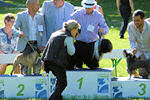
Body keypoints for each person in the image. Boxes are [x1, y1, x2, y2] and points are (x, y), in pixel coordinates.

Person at [41, 20, 80, 100]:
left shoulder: (56, 33)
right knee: (63, 83)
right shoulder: (68, 37)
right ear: (73, 29)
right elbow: (71, 52)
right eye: (76, 31)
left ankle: (58, 98)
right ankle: (52, 98)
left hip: (47, 60)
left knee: (59, 81)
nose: (76, 33)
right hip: (57, 62)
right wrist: (74, 39)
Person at [69, 0, 109, 68]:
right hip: (79, 43)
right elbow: (68, 21)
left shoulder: (98, 16)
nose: (88, 9)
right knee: (77, 66)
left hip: (92, 44)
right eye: (86, 8)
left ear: (93, 7)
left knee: (93, 66)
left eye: (90, 8)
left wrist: (103, 30)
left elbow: (106, 28)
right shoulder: (78, 13)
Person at [14, 0, 47, 74]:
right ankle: (25, 83)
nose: (39, 7)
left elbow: (44, 32)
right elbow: (14, 28)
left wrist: (43, 44)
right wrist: (19, 33)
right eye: (37, 5)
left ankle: (36, 81)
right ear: (30, 6)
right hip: (25, 45)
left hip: (37, 45)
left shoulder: (40, 17)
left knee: (37, 66)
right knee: (24, 69)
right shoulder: (21, 15)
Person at [128, 9, 150, 78]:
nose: (135, 23)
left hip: (148, 52)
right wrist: (134, 48)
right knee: (129, 68)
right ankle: (135, 74)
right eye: (134, 20)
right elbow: (131, 40)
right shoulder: (130, 26)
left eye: (137, 20)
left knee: (144, 73)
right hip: (138, 51)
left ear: (144, 19)